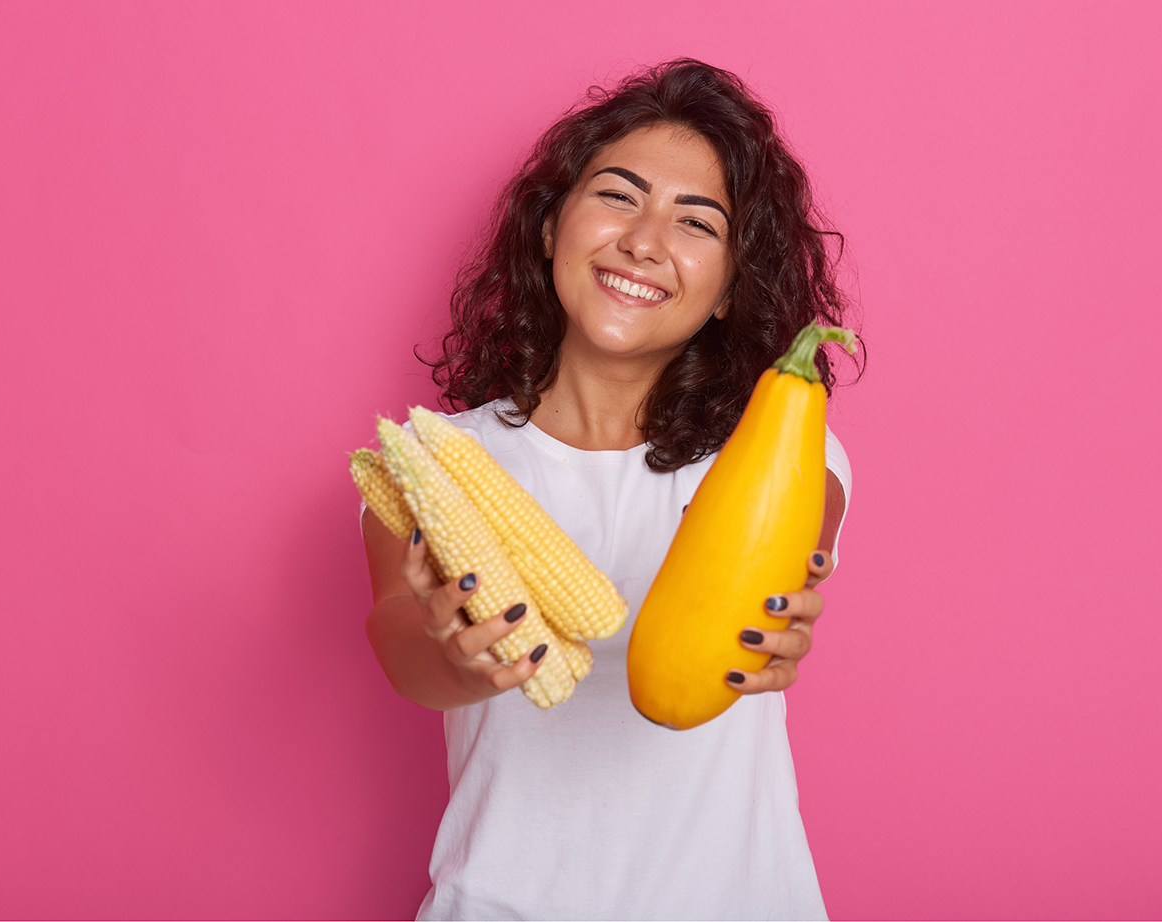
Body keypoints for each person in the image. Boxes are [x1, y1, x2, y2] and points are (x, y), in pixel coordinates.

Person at [361, 59, 863, 921]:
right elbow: (398, 641)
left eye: (695, 222)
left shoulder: (780, 457)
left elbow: (751, 603)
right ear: (549, 228)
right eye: (618, 197)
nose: (643, 241)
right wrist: (458, 655)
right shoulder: (432, 463)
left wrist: (769, 637)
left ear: (727, 290)